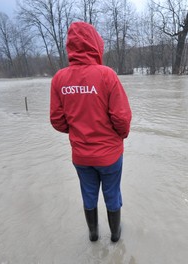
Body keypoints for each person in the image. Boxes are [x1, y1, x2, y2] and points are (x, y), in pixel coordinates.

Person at [50, 21, 132, 243]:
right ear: (95, 44)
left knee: (88, 195)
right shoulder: (107, 75)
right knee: (112, 194)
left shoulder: (59, 79)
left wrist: (77, 129)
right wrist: (118, 136)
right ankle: (115, 236)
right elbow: (122, 118)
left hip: (81, 155)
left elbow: (57, 121)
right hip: (109, 155)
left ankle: (93, 235)